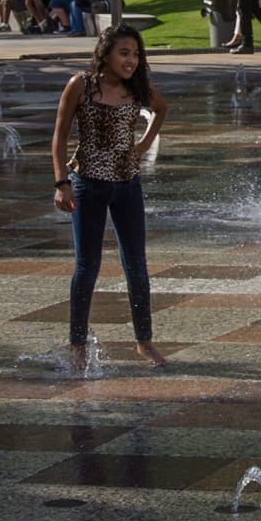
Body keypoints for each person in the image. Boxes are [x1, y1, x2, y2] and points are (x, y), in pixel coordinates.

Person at [51, 24, 169, 370]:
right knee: (87, 267)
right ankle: (77, 345)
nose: (131, 60)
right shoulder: (81, 85)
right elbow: (58, 138)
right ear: (105, 53)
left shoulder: (137, 89)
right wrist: (61, 183)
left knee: (137, 265)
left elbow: (161, 109)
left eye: (135, 54)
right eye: (124, 53)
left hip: (127, 186)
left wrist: (144, 145)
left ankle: (144, 342)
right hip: (88, 185)